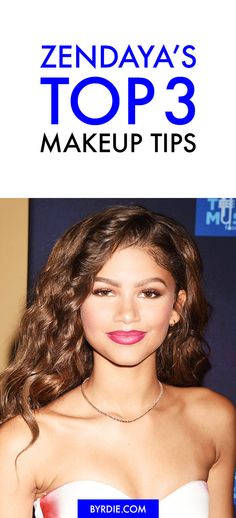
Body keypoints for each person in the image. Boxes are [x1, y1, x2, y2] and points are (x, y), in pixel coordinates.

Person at [0, 205, 235, 518]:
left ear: (177, 306)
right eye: (104, 291)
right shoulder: (25, 441)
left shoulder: (213, 419)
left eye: (149, 293)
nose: (127, 315)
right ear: (75, 302)